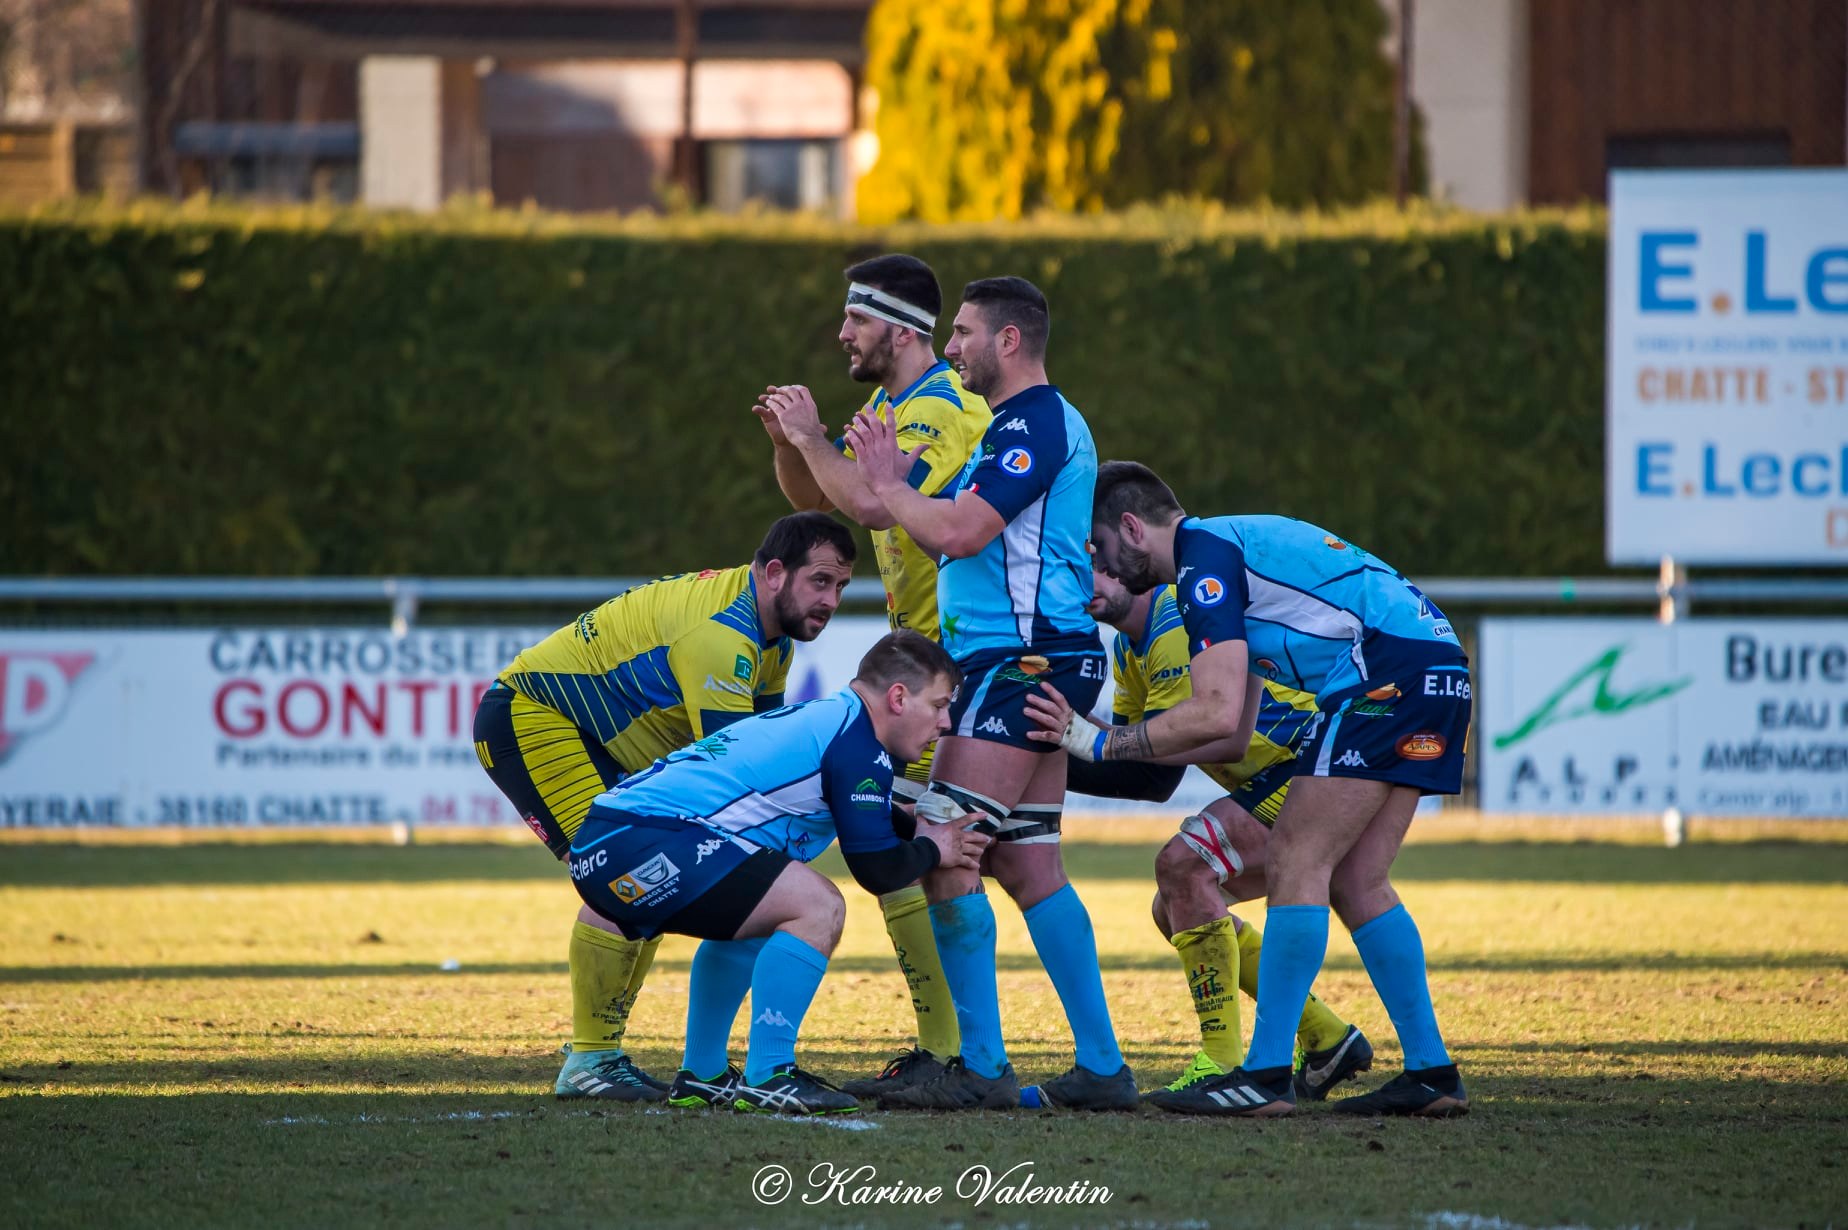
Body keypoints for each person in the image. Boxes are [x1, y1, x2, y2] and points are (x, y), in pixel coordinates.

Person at [1049, 460, 1472, 1118]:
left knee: (1298, 859)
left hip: (1385, 673)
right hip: (1433, 667)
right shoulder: (1221, 557)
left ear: (1131, 528)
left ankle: (1267, 1074)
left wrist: (1096, 741)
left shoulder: (1200, 562)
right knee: (1357, 880)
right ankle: (1431, 1072)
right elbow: (1233, 734)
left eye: (1098, 549)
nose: (1095, 568)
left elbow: (1211, 711)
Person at [843, 276, 1134, 1111]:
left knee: (947, 843)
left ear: (1009, 342)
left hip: (1023, 663)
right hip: (1029, 661)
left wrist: (894, 489)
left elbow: (963, 530)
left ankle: (978, 1068)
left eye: (965, 332)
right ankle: (1104, 1070)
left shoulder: (1037, 421)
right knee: (1024, 859)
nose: (954, 345)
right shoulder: (1016, 425)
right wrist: (895, 485)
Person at [472, 512, 856, 1101]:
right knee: (622, 870)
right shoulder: (725, 637)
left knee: (648, 875)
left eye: (842, 587)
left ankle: (613, 1057)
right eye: (822, 581)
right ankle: (591, 1060)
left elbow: (772, 750)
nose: (832, 600)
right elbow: (740, 774)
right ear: (775, 573)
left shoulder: (770, 635)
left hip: (599, 737)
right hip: (534, 715)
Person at [566, 630, 992, 1115]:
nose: (946, 721)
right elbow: (877, 869)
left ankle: (702, 1074)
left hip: (609, 843)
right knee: (819, 905)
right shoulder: (857, 743)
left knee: (764, 913)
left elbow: (864, 816)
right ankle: (771, 1075)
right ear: (898, 697)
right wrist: (934, 848)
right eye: (938, 704)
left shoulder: (839, 722)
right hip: (642, 843)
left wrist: (917, 828)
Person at [752, 253, 992, 1099]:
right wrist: (792, 446)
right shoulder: (890, 408)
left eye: (855, 320)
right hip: (928, 664)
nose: (841, 333)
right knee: (929, 849)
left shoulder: (940, 412)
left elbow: (874, 503)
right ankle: (954, 1051)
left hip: (962, 665)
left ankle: (960, 1055)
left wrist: (817, 439)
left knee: (947, 853)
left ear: (897, 328)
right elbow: (818, 508)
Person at [1052, 568, 1374, 1109]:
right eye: (1080, 565)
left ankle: (1221, 1062)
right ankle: (1327, 1039)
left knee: (1185, 866)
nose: (1089, 580)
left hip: (1309, 763)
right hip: (1285, 774)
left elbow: (1173, 750)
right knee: (1176, 904)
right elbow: (1148, 776)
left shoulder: (1172, 625)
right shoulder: (1128, 650)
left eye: (1101, 562)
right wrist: (1050, 753)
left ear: (1129, 557)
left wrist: (1073, 743)